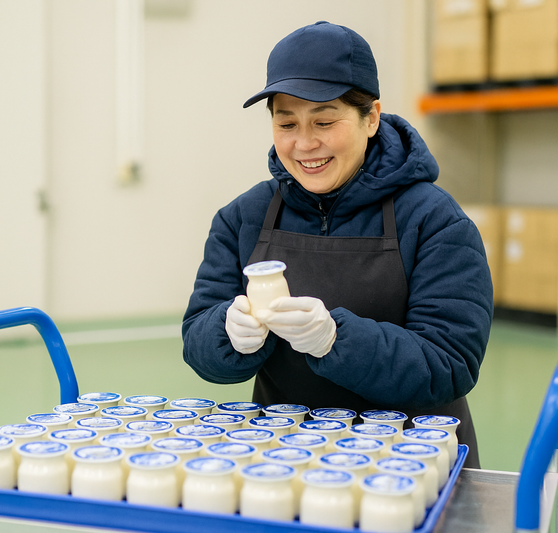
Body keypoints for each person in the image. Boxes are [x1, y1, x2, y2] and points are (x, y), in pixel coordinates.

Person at [181, 21, 492, 468]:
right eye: (286, 123)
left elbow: (450, 364)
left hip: (412, 464)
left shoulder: (434, 221)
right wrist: (226, 335)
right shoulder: (244, 218)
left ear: (372, 118)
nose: (305, 144)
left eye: (324, 122)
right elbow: (197, 343)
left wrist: (336, 339)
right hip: (286, 460)